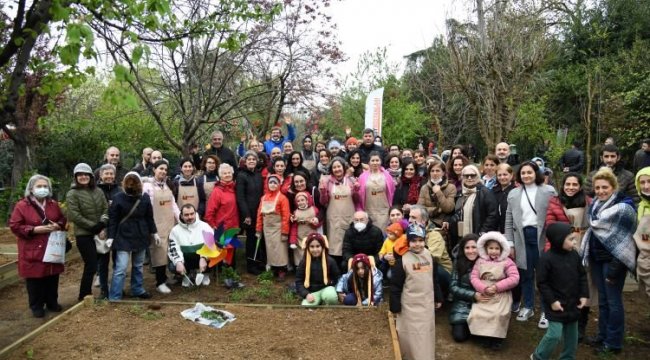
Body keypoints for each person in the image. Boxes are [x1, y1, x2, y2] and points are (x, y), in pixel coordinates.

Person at [580, 167, 637, 355]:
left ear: (613, 186)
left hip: (614, 261)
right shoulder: (596, 205)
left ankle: (613, 343)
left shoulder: (624, 207)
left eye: (604, 187)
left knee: (613, 302)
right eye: (597, 188)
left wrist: (615, 267)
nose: (600, 191)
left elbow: (626, 241)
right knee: (603, 301)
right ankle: (602, 335)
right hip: (597, 259)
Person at [545, 172, 596, 338]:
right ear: (563, 185)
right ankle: (563, 319)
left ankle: (581, 324)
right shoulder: (555, 202)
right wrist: (550, 251)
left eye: (575, 184)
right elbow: (550, 228)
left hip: (585, 245)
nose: (571, 188)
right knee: (566, 284)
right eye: (568, 184)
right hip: (563, 246)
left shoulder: (589, 202)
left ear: (580, 186)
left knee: (584, 284)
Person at [505, 161, 556, 326]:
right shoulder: (513, 194)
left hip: (542, 235)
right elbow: (509, 219)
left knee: (544, 275)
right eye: (523, 173)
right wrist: (510, 243)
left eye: (530, 172)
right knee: (526, 273)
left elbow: (555, 213)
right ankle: (528, 306)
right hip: (521, 236)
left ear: (536, 173)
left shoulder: (548, 191)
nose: (526, 175)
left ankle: (546, 311)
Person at [10, 175, 67, 317]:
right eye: (39, 186)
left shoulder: (53, 204)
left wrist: (58, 225)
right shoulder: (22, 206)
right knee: (35, 278)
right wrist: (33, 230)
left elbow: (62, 218)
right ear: (31, 188)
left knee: (52, 275)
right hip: (32, 247)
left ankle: (52, 302)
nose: (43, 189)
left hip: (51, 245)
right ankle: (36, 305)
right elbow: (15, 226)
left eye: (45, 186)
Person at [531, 223, 589, 360]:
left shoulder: (574, 255)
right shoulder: (546, 259)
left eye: (574, 239)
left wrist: (584, 294)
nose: (574, 242)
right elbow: (542, 283)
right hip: (556, 305)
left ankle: (567, 357)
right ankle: (538, 356)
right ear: (558, 240)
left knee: (572, 337)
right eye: (570, 239)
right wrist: (552, 301)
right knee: (554, 335)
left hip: (573, 302)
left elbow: (582, 275)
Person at [390, 224, 442, 360]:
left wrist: (438, 297)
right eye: (413, 241)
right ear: (408, 241)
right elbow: (396, 286)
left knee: (425, 334)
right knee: (411, 334)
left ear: (425, 240)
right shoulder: (402, 260)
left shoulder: (430, 257)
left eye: (420, 240)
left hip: (426, 304)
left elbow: (434, 279)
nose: (417, 244)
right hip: (409, 306)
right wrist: (395, 306)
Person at [107, 172, 159, 301]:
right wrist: (111, 237)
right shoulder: (118, 198)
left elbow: (149, 217)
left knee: (138, 265)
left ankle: (137, 289)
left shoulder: (144, 198)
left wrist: (154, 232)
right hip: (123, 236)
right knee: (121, 268)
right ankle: (115, 295)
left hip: (141, 234)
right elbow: (113, 219)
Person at [467, 232, 520, 350]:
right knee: (477, 313)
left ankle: (497, 338)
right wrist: (483, 288)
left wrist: (497, 287)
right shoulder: (480, 261)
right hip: (484, 292)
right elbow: (474, 277)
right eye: (491, 248)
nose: (494, 251)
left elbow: (514, 278)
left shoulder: (507, 262)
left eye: (497, 248)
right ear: (486, 248)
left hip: (500, 293)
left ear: (502, 249)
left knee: (499, 314)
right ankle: (485, 336)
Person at [65, 163, 108, 300]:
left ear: (91, 176)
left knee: (103, 264)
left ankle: (105, 292)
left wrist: (102, 224)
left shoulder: (98, 191)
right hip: (84, 234)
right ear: (75, 177)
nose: (83, 177)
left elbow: (105, 209)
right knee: (91, 264)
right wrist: (93, 226)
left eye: (86, 174)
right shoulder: (72, 194)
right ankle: (84, 295)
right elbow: (74, 215)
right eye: (80, 175)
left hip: (100, 232)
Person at [142, 160, 180, 294]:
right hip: (155, 224)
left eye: (165, 169)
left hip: (169, 223)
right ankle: (160, 282)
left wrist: (180, 218)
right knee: (159, 253)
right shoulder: (147, 186)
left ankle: (165, 277)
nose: (163, 172)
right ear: (154, 169)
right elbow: (146, 207)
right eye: (160, 169)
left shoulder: (168, 185)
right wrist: (151, 228)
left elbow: (173, 204)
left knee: (169, 251)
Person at [319, 157, 360, 266]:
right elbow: (324, 202)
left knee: (347, 243)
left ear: (343, 167)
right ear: (331, 170)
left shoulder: (351, 181)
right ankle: (334, 267)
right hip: (333, 217)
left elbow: (357, 200)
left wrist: (356, 190)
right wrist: (323, 192)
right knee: (334, 244)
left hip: (349, 216)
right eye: (334, 167)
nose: (337, 169)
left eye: (339, 166)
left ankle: (347, 265)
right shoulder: (327, 181)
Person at [448, 165, 498, 250]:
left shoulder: (485, 192)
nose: (469, 178)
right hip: (461, 237)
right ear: (462, 177)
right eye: (466, 176)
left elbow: (493, 214)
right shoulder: (460, 194)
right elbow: (453, 211)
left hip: (479, 237)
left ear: (478, 176)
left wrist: (482, 232)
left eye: (473, 175)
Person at [449, 234, 486, 343]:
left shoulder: (486, 262)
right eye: (467, 247)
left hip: (483, 304)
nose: (471, 251)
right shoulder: (458, 262)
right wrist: (473, 295)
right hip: (463, 304)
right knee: (459, 336)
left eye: (474, 247)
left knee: (483, 336)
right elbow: (453, 287)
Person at [409, 205, 453, 293]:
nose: (409, 220)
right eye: (409, 217)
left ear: (423, 221)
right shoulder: (409, 233)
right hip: (419, 266)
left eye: (413, 217)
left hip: (442, 272)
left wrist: (411, 267)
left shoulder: (434, 235)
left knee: (427, 267)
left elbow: (432, 259)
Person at [168, 204, 214, 287]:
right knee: (172, 266)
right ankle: (187, 274)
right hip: (186, 258)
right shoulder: (175, 230)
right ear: (181, 216)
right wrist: (178, 262)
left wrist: (204, 257)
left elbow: (211, 244)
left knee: (214, 255)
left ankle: (205, 274)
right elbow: (173, 248)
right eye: (186, 215)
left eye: (192, 214)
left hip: (201, 258)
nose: (190, 217)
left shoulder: (205, 226)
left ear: (195, 213)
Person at [205, 163, 240, 272]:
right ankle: (219, 273)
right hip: (222, 226)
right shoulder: (217, 191)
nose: (227, 175)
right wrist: (212, 224)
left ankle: (231, 272)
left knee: (232, 251)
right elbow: (210, 210)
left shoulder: (235, 188)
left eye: (229, 172)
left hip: (234, 225)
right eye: (224, 173)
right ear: (220, 175)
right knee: (221, 250)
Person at [256, 174, 291, 280]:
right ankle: (274, 269)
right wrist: (258, 229)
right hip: (267, 229)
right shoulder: (263, 198)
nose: (272, 184)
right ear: (267, 184)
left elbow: (286, 216)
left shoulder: (282, 198)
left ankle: (282, 270)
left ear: (279, 184)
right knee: (270, 249)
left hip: (278, 228)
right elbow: (259, 214)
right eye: (270, 182)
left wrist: (285, 232)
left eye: (275, 182)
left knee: (280, 250)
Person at [236, 151, 265, 275]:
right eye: (249, 159)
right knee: (251, 239)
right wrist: (246, 215)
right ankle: (251, 264)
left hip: (260, 212)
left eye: (254, 159)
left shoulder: (258, 175)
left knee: (260, 238)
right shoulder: (241, 176)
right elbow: (240, 197)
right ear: (245, 161)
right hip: (249, 214)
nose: (252, 161)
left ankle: (259, 261)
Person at [295, 233, 340, 306]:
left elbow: (337, 278)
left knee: (331, 297)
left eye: (318, 246)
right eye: (312, 247)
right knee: (305, 306)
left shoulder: (330, 261)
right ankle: (318, 301)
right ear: (308, 248)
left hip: (326, 288)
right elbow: (299, 281)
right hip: (312, 292)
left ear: (322, 246)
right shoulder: (303, 262)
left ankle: (326, 299)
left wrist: (334, 287)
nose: (315, 249)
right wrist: (306, 294)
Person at [357, 151, 395, 228]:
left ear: (381, 161)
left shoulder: (387, 176)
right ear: (369, 162)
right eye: (373, 160)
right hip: (368, 211)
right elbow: (359, 195)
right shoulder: (362, 177)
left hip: (384, 211)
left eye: (377, 160)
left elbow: (392, 192)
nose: (375, 163)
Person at [417, 160, 456, 228]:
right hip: (427, 223)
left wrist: (439, 192)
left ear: (443, 173)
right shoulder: (424, 188)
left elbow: (449, 208)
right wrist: (437, 210)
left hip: (443, 224)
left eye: (438, 171)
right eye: (432, 171)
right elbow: (420, 209)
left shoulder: (451, 187)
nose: (435, 173)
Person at [289, 191, 322, 266]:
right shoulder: (295, 212)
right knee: (300, 252)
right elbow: (294, 227)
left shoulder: (314, 209)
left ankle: (313, 266)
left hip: (311, 234)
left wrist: (314, 222)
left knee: (311, 250)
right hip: (299, 236)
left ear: (307, 200)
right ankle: (300, 266)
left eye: (302, 200)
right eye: (298, 201)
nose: (300, 202)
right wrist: (293, 241)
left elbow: (319, 223)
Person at [635, 167, 650, 298]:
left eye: (649, 181)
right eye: (642, 182)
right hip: (644, 262)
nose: (646, 186)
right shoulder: (640, 207)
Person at [493, 163, 516, 233]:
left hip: (511, 231)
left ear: (511, 175)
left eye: (505, 174)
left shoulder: (516, 192)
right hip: (495, 230)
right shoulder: (493, 191)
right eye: (499, 175)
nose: (502, 177)